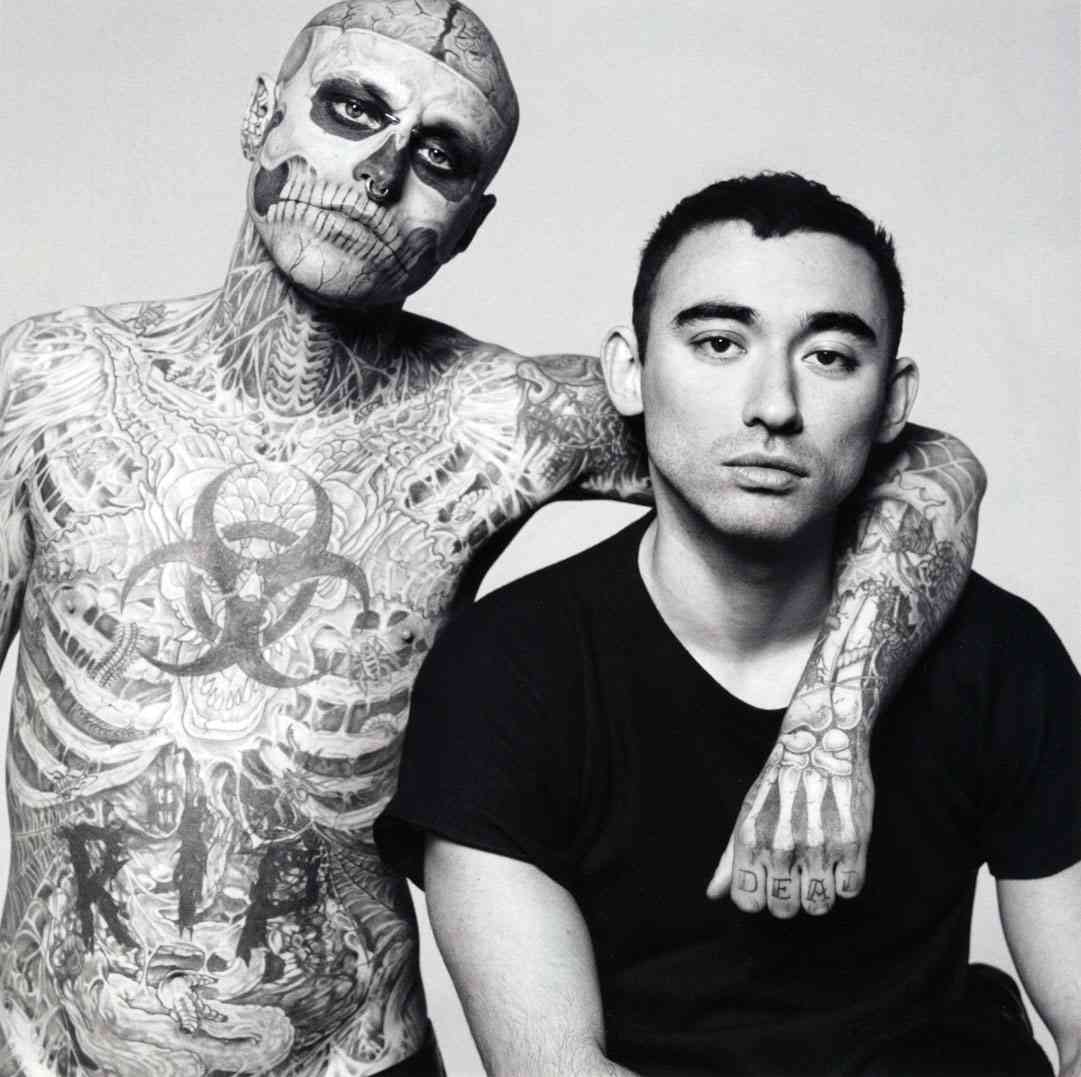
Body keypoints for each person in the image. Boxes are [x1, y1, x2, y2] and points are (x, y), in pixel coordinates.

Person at [0, 0, 985, 1070]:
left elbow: (916, 462)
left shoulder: (497, 421)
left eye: (439, 156)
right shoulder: (55, 382)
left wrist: (827, 726)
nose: (378, 173)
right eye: (351, 109)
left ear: (470, 222)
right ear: (260, 117)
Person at [376, 172, 1081, 1077]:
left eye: (829, 356)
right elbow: (554, 1068)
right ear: (628, 371)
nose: (773, 405)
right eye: (717, 343)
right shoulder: (506, 670)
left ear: (893, 400)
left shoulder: (997, 652)